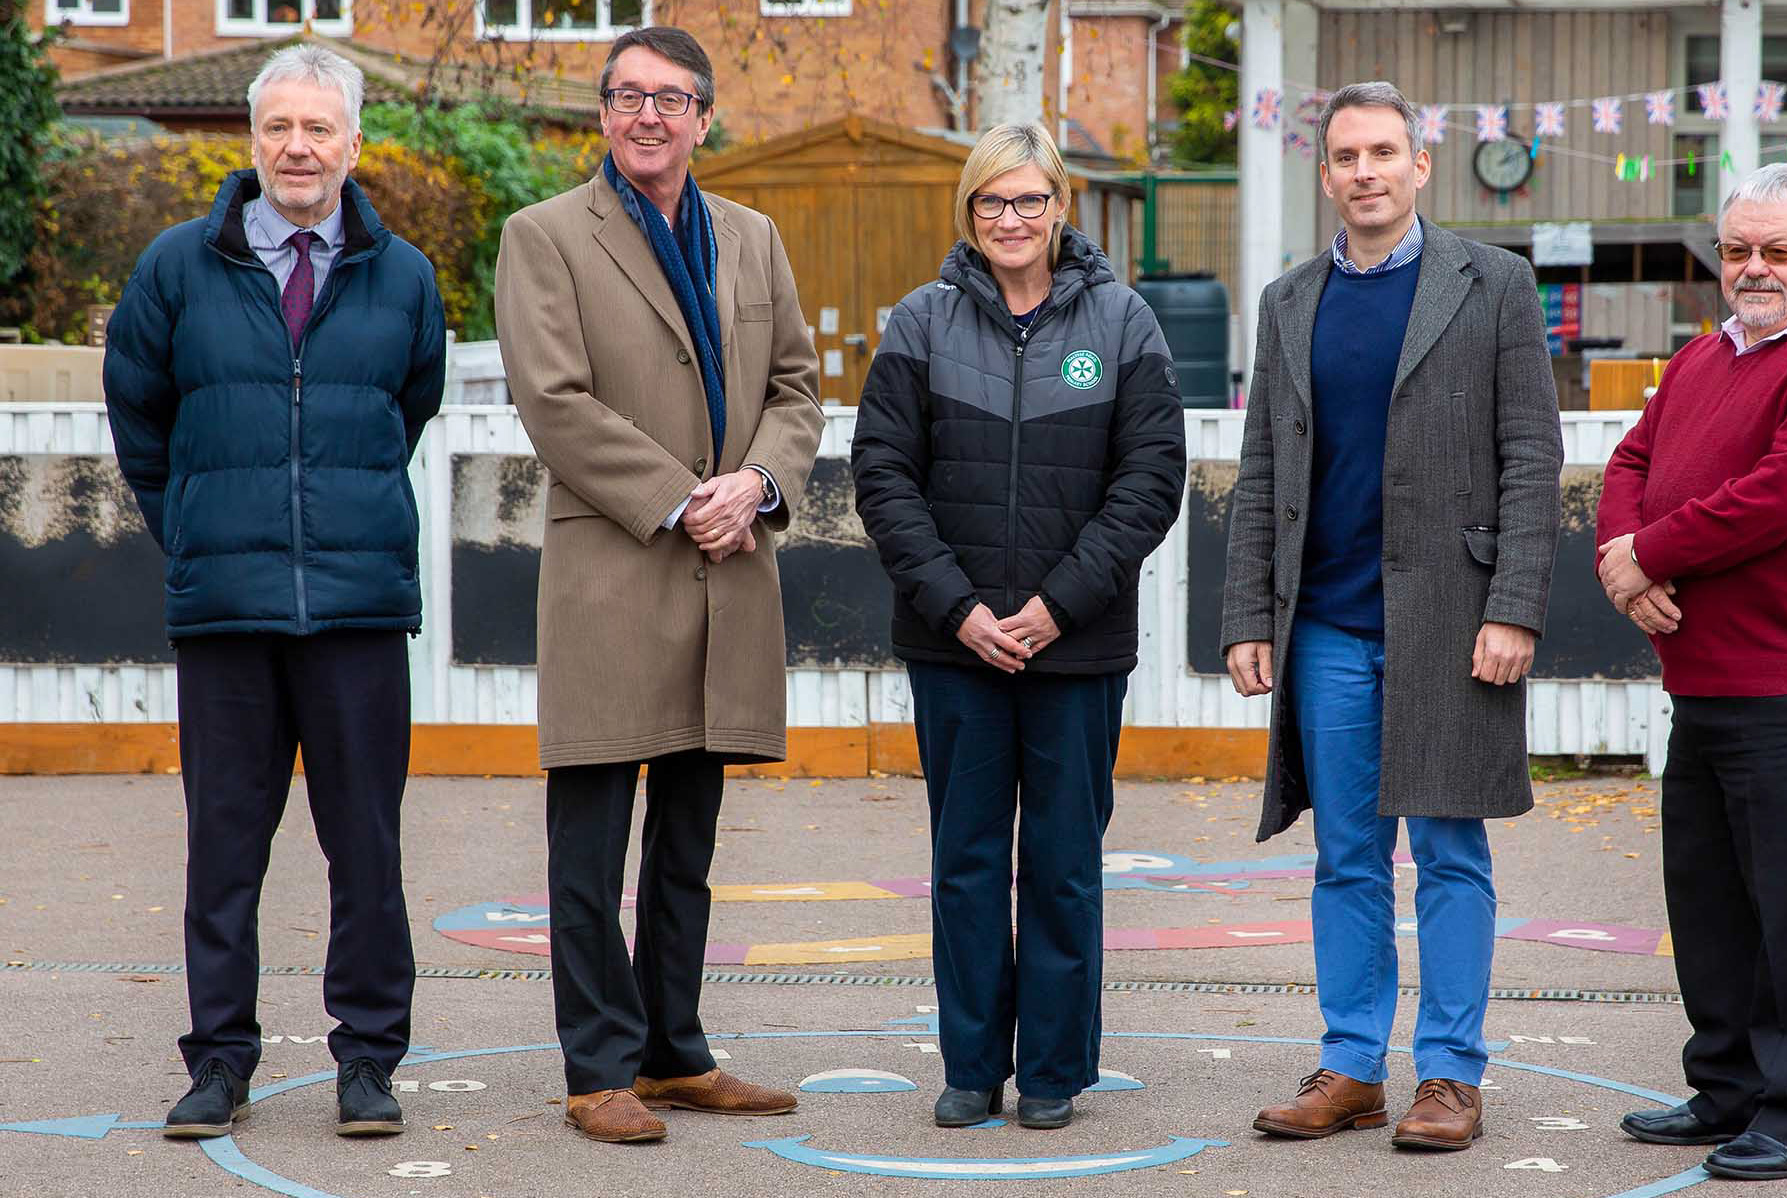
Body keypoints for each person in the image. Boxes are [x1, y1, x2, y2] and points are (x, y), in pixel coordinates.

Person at [103, 44, 445, 1140]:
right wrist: (202, 529)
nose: (299, 148)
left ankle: (368, 1062)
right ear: (252, 141)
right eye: (279, 129)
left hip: (355, 611)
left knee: (368, 850)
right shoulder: (175, 266)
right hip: (226, 612)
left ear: (352, 141)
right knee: (224, 850)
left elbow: (410, 404)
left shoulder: (404, 275)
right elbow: (139, 421)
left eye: (320, 129)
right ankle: (218, 1061)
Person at [492, 26, 822, 1145]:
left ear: (702, 116)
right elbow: (555, 401)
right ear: (601, 112)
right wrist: (689, 494)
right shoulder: (542, 237)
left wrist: (762, 480)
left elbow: (795, 385)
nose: (647, 116)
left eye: (668, 99)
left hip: (726, 578)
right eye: (627, 96)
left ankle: (673, 1051)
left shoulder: (753, 236)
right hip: (616, 572)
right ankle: (597, 1066)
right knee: (588, 848)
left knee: (688, 843)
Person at [1220, 81, 1561, 1151]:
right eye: (1343, 156)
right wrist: (1246, 615)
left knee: (1451, 851)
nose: (1363, 171)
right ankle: (1352, 1064)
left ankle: (1450, 1075)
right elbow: (1264, 464)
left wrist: (1511, 606)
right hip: (1323, 623)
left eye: (1381, 152)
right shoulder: (1287, 300)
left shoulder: (1493, 284)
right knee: (1346, 857)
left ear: (1419, 165)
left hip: (1455, 622)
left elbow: (1530, 457)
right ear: (1322, 174)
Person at [852, 122, 1186, 1131]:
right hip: (951, 649)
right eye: (990, 202)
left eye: (1028, 200)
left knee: (1061, 860)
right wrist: (960, 610)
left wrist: (1051, 607)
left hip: (1075, 647)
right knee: (962, 860)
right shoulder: (918, 323)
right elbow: (882, 479)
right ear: (968, 210)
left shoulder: (1123, 323)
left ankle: (1049, 1070)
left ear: (1057, 208)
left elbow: (1147, 482)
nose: (1010, 219)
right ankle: (967, 1066)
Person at [1595, 163, 1787, 1182]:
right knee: (1711, 907)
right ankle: (1724, 1086)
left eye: (1777, 250)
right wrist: (1621, 560)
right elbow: (1629, 464)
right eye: (1736, 250)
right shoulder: (1703, 358)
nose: (1753, 268)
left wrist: (1648, 555)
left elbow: (1771, 499)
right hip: (1704, 681)